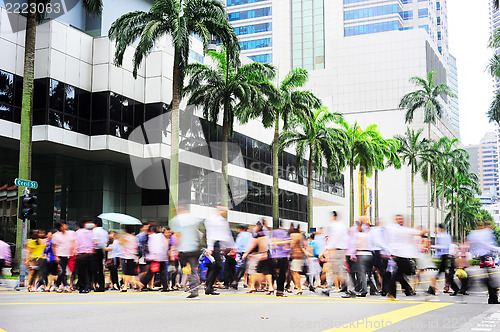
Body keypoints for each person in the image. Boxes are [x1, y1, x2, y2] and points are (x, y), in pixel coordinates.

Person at [385, 214, 426, 300]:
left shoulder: (396, 229)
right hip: (400, 254)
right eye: (398, 219)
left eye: (401, 219)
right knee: (404, 272)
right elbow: (415, 232)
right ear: (395, 220)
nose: (400, 220)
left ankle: (393, 293)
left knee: (399, 273)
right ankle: (394, 292)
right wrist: (424, 231)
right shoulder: (398, 229)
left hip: (401, 254)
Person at [170, 203, 202, 299]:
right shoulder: (194, 218)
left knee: (187, 270)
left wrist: (174, 249)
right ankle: (195, 288)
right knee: (193, 269)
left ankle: (193, 290)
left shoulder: (176, 220)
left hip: (184, 249)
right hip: (195, 248)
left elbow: (178, 235)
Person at [204, 206, 235, 295]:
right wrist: (210, 247)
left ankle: (209, 286)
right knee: (217, 266)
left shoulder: (221, 220)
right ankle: (209, 286)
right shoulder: (213, 220)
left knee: (214, 266)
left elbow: (226, 234)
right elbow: (210, 234)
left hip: (217, 245)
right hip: (214, 245)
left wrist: (231, 246)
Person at [467, 222, 500, 304]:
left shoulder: (474, 233)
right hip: (485, 257)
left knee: (489, 278)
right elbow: (489, 246)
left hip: (482, 257)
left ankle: (492, 298)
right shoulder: (486, 232)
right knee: (490, 279)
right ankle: (493, 298)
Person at [430, 223, 459, 296]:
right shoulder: (448, 235)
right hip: (447, 256)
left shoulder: (440, 236)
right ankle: (431, 289)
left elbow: (443, 247)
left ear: (440, 229)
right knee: (445, 274)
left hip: (444, 256)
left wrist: (433, 247)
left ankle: (431, 289)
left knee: (442, 273)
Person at [140, 224, 169, 292]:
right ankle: (165, 287)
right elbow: (165, 245)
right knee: (162, 272)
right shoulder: (161, 236)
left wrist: (153, 256)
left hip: (156, 257)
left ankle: (143, 285)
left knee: (151, 272)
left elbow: (153, 247)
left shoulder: (153, 237)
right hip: (162, 257)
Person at [52, 221, 76, 293]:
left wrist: (75, 249)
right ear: (60, 227)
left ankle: (56, 285)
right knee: (62, 271)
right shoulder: (56, 235)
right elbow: (54, 246)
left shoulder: (71, 233)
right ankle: (66, 285)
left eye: (65, 225)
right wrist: (56, 256)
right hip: (60, 254)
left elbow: (73, 242)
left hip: (68, 255)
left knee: (64, 271)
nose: (65, 226)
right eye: (62, 226)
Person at [271, 220, 291, 297]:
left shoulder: (274, 232)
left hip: (276, 256)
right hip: (281, 256)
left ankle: (278, 290)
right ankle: (279, 291)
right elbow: (275, 242)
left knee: (278, 274)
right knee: (281, 274)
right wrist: (284, 242)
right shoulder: (284, 233)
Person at [75, 218, 95, 293]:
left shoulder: (77, 232)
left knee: (81, 271)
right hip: (88, 254)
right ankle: (87, 286)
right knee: (88, 271)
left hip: (81, 254)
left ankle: (82, 287)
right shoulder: (90, 232)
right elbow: (93, 242)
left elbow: (75, 243)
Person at [119, 225, 142, 292]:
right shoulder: (135, 238)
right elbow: (137, 248)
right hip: (133, 257)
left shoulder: (125, 237)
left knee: (126, 273)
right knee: (131, 273)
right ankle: (126, 286)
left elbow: (120, 243)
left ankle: (136, 284)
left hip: (126, 256)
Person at [232, 224, 253, 290]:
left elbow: (236, 245)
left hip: (241, 253)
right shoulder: (250, 235)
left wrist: (234, 251)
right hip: (248, 253)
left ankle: (235, 281)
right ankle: (236, 281)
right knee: (244, 268)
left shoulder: (241, 235)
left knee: (241, 267)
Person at [92, 218, 108, 292]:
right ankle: (101, 285)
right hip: (102, 251)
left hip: (94, 251)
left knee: (94, 269)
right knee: (100, 269)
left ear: (95, 224)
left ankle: (94, 284)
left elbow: (94, 241)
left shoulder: (94, 231)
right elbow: (106, 242)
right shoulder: (105, 232)